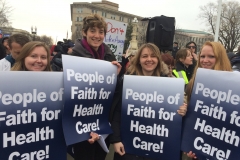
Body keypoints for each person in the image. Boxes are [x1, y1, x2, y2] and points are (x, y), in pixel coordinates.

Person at [110, 43, 187, 160]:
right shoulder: (127, 81)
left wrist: (182, 111)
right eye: (145, 56)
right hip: (129, 148)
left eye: (153, 56)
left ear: (158, 59)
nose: (149, 59)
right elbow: (117, 112)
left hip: (156, 148)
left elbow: (174, 119)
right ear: (139, 60)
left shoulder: (170, 84)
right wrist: (116, 140)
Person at [70, 14, 121, 160]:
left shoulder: (109, 57)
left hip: (103, 122)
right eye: (92, 31)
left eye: (101, 32)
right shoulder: (74, 57)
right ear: (84, 32)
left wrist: (116, 76)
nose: (97, 36)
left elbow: (113, 93)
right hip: (81, 123)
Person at [185, 41, 232, 159]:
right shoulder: (193, 83)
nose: (205, 60)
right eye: (202, 56)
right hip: (199, 148)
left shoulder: (233, 86)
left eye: (211, 56)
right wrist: (189, 144)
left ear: (220, 58)